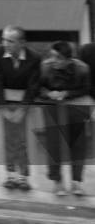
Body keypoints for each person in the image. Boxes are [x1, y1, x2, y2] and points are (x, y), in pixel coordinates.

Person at [0, 25, 41, 191]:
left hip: (25, 102)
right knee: (9, 138)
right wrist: (3, 107)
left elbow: (34, 85)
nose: (6, 44)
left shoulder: (34, 58)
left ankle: (24, 176)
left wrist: (23, 108)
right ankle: (10, 175)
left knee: (24, 139)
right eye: (4, 39)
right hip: (5, 101)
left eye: (10, 41)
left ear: (22, 43)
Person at [39, 41, 90, 196]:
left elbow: (86, 88)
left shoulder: (82, 69)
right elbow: (36, 87)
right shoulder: (45, 67)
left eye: (58, 58)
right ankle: (57, 182)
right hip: (52, 108)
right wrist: (49, 94)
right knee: (54, 144)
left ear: (69, 59)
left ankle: (76, 182)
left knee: (78, 144)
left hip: (76, 108)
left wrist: (66, 94)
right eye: (52, 56)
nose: (54, 60)